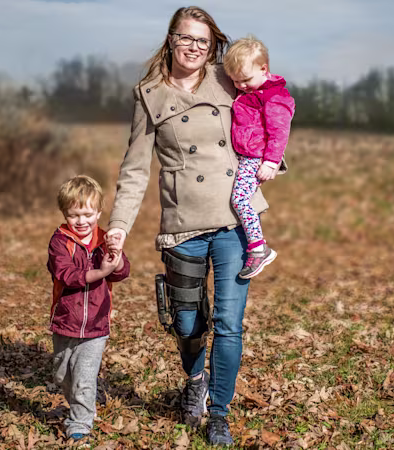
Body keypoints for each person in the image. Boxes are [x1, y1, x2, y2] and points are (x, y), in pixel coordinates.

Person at [104, 6, 283, 446]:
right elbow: (134, 169)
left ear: (213, 45)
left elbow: (274, 107)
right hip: (183, 223)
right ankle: (195, 379)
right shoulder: (149, 94)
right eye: (186, 38)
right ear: (171, 39)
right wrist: (118, 227)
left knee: (228, 323)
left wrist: (273, 158)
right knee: (187, 324)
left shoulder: (229, 78)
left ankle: (218, 411)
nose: (195, 48)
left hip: (233, 222)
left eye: (203, 41)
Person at [47, 175, 131, 442]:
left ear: (98, 212)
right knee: (61, 373)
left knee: (85, 377)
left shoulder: (106, 239)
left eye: (87, 214)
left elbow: (121, 272)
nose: (81, 221)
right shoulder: (59, 241)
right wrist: (99, 271)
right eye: (74, 215)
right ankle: (79, 401)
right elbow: (66, 274)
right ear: (65, 214)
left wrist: (115, 261)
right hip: (65, 320)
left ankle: (80, 422)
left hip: (96, 325)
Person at [223, 35, 294, 279]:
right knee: (239, 199)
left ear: (264, 69)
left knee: (240, 200)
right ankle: (256, 245)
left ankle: (258, 247)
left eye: (245, 80)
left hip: (256, 158)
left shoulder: (274, 97)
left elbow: (279, 133)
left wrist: (271, 162)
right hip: (245, 155)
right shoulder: (252, 90)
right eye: (235, 81)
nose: (240, 86)